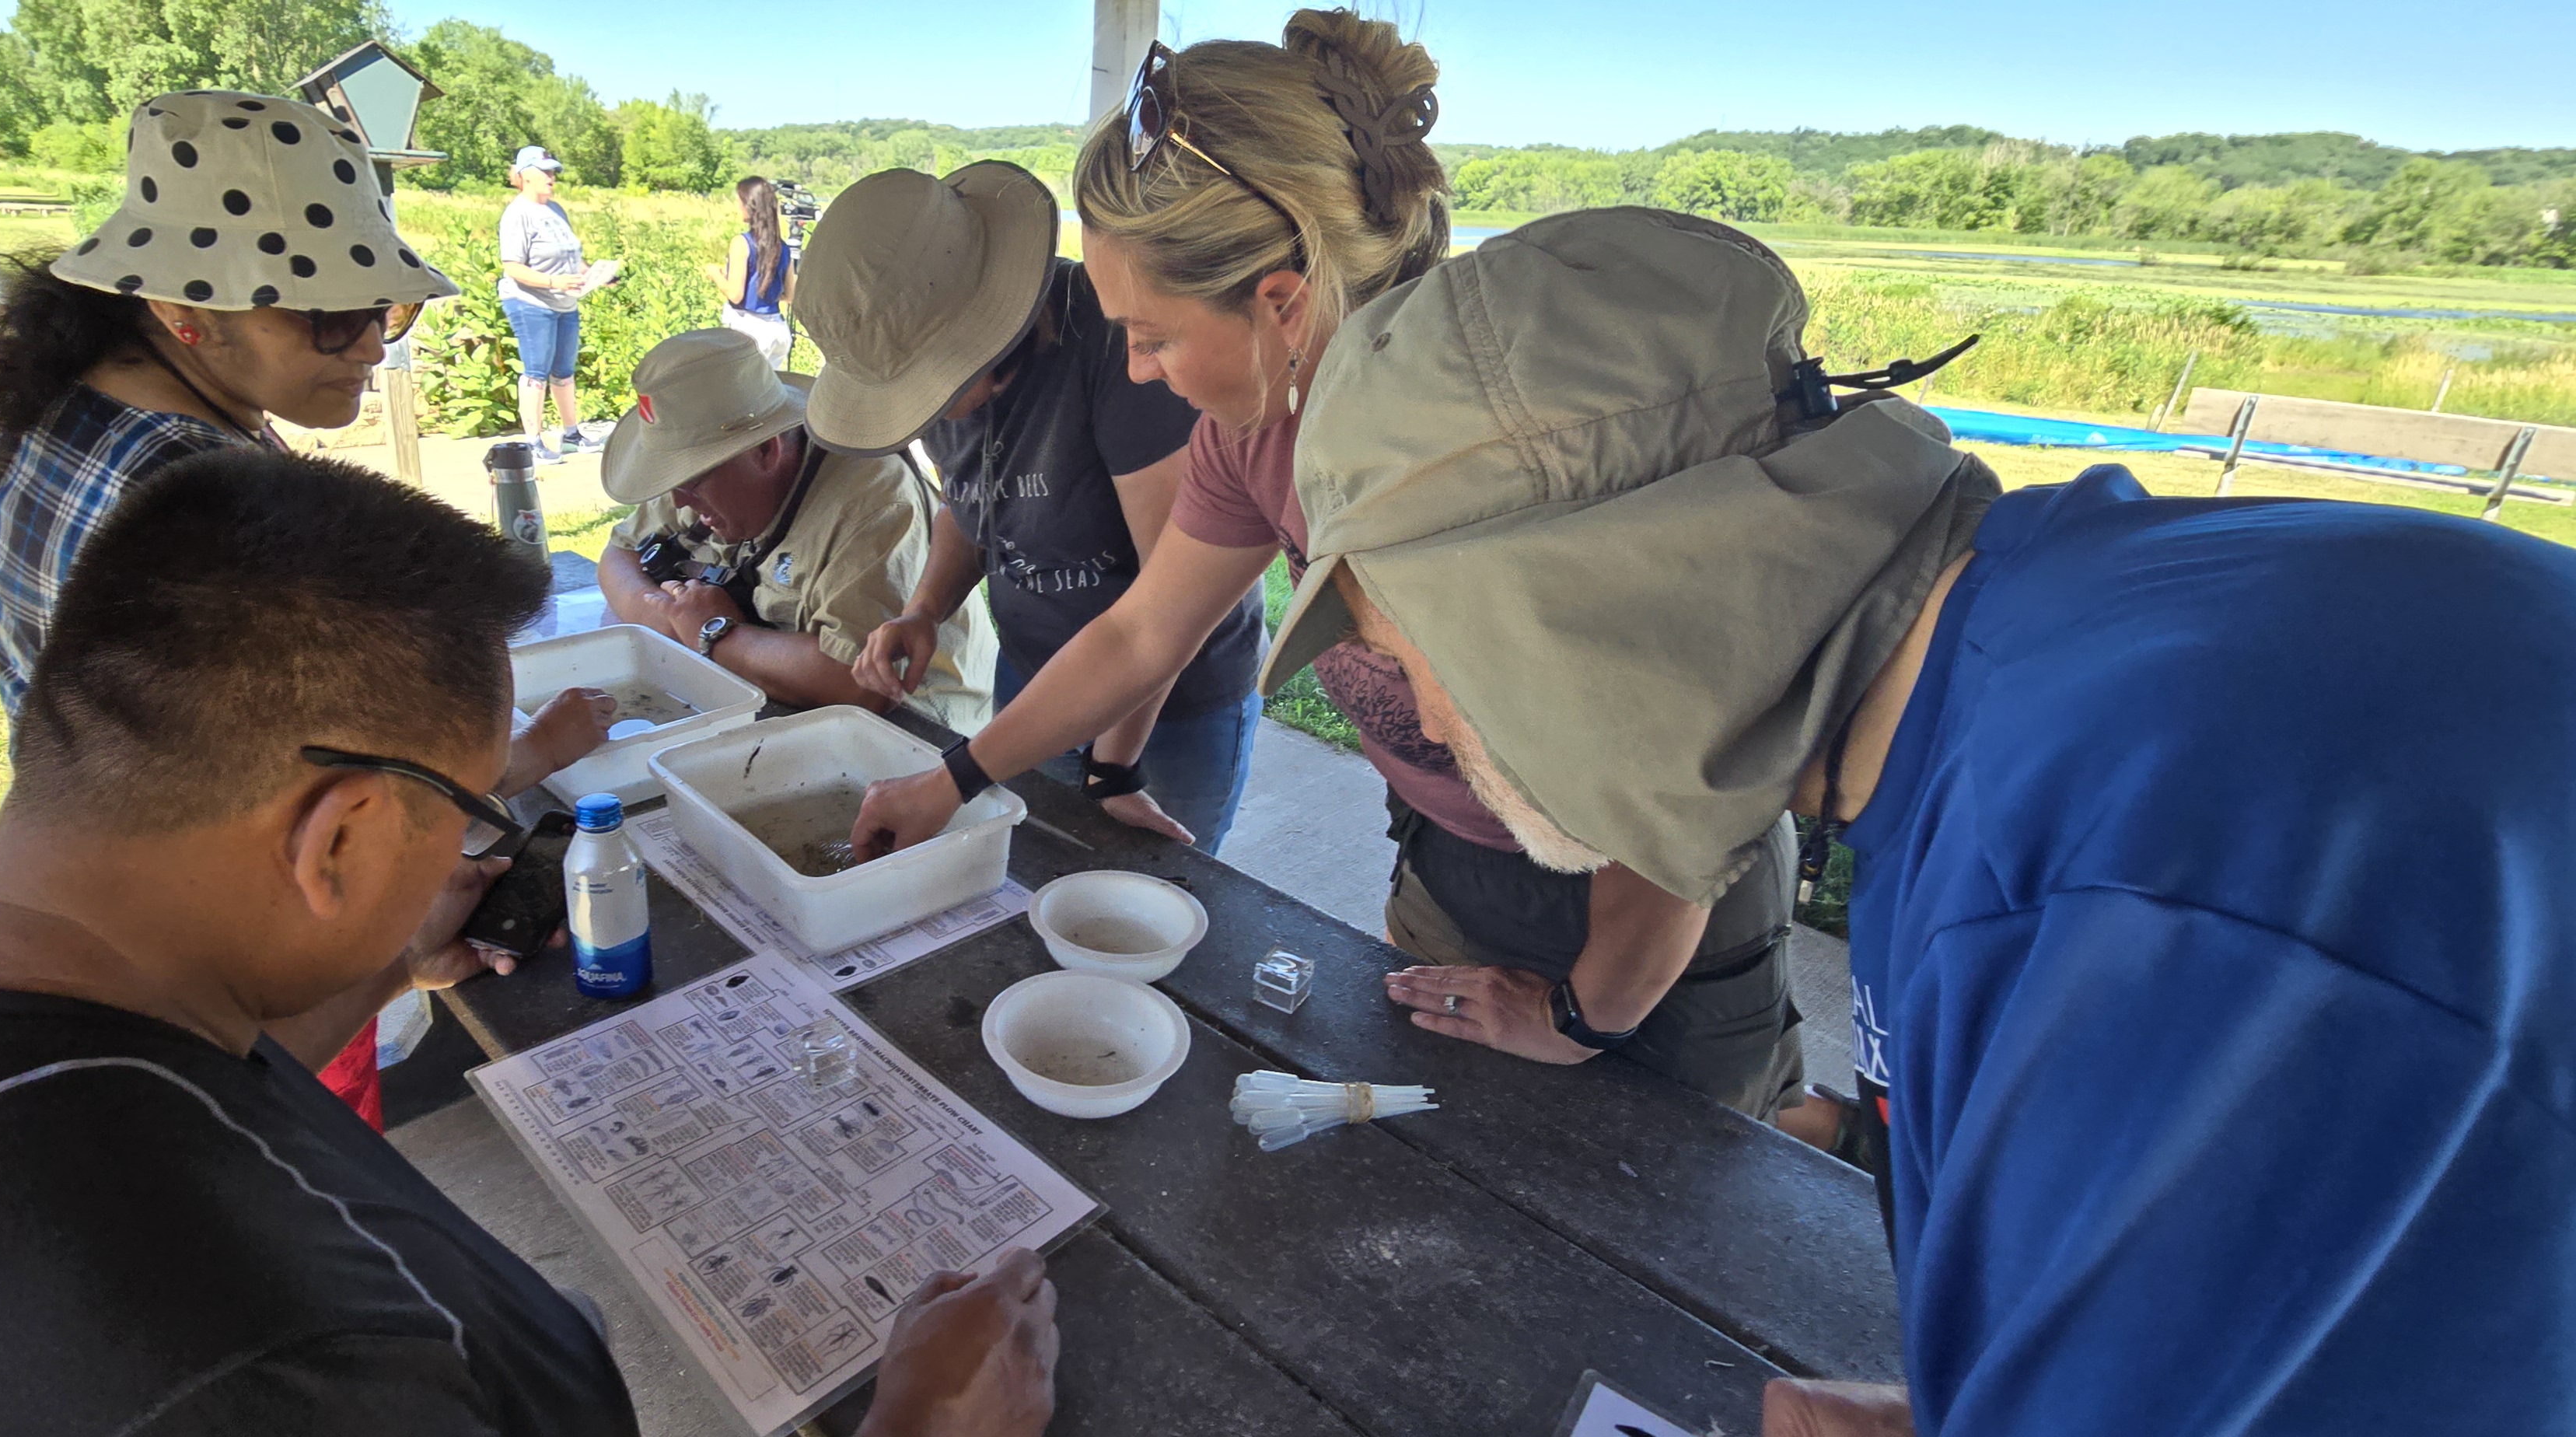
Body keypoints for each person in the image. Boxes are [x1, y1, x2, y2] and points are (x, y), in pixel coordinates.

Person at [1279, 205, 2576, 1433]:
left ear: (1566, 601)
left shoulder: (2160, 874)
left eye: (1411, 656)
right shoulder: (1989, 711)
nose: (1428, 728)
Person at [0, 448, 1065, 1437]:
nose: (475, 847)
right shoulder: (286, 1364)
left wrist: (373, 963)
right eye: (468, 806)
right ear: (333, 841)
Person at [848, 14, 1810, 1124]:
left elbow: (1665, 787)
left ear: (1282, 304)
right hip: (1453, 855)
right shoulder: (1253, 429)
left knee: (1666, 1219)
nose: (1141, 372)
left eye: (1153, 334)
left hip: (1651, 919)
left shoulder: (1493, 451)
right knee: (1447, 1156)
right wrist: (952, 780)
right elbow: (1139, 631)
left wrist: (1584, 1013)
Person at [0, 89, 611, 1131]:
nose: (371, 348)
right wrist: (511, 771)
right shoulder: (206, 502)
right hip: (231, 955)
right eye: (335, 316)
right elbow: (316, 792)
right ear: (193, 311)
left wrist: (391, 972)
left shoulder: (45, 412)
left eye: (387, 314)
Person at [802, 161, 1262, 854]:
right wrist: (925, 609)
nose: (925, 413)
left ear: (988, 337)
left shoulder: (1126, 352)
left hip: (1166, 707)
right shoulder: (924, 355)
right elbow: (970, 501)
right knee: (1033, 871)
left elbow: (1163, 612)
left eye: (930, 388)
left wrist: (1111, 768)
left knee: (1142, 896)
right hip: (1033, 671)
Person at [596, 328, 991, 732]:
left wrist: (713, 636)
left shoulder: (874, 502)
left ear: (766, 450)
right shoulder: (703, 474)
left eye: (691, 486)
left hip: (923, 736)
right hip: (782, 711)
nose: (678, 503)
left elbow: (859, 684)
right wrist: (662, 615)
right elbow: (617, 556)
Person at [500, 145, 597, 458]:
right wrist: (554, 281)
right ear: (525, 176)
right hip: (531, 303)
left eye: (553, 171)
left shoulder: (556, 210)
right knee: (536, 370)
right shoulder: (517, 214)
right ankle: (533, 443)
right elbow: (512, 267)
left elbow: (572, 257)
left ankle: (571, 435)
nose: (551, 177)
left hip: (565, 303)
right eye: (544, 172)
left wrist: (595, 274)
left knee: (564, 370)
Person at [708, 175, 795, 367]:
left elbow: (735, 295)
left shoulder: (741, 243)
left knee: (741, 394)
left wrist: (715, 274)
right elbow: (789, 295)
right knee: (771, 391)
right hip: (778, 331)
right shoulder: (783, 247)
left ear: (749, 205)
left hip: (751, 330)